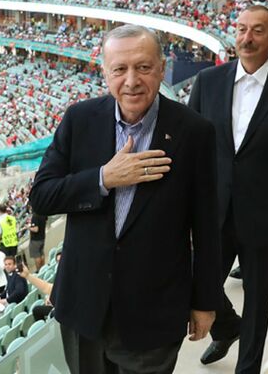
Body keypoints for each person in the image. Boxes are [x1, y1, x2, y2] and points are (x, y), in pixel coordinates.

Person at [30, 24, 221, 374]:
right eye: (119, 69)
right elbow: (41, 196)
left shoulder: (194, 132)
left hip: (153, 313)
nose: (131, 80)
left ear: (162, 68)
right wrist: (104, 178)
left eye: (143, 67)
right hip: (83, 306)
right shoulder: (80, 119)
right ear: (105, 72)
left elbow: (208, 226)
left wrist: (205, 302)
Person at [189, 5, 268, 373]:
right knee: (199, 287)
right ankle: (228, 328)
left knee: (258, 304)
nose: (247, 38)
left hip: (265, 217)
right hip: (213, 212)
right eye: (242, 29)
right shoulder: (208, 82)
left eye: (257, 31)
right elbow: (191, 152)